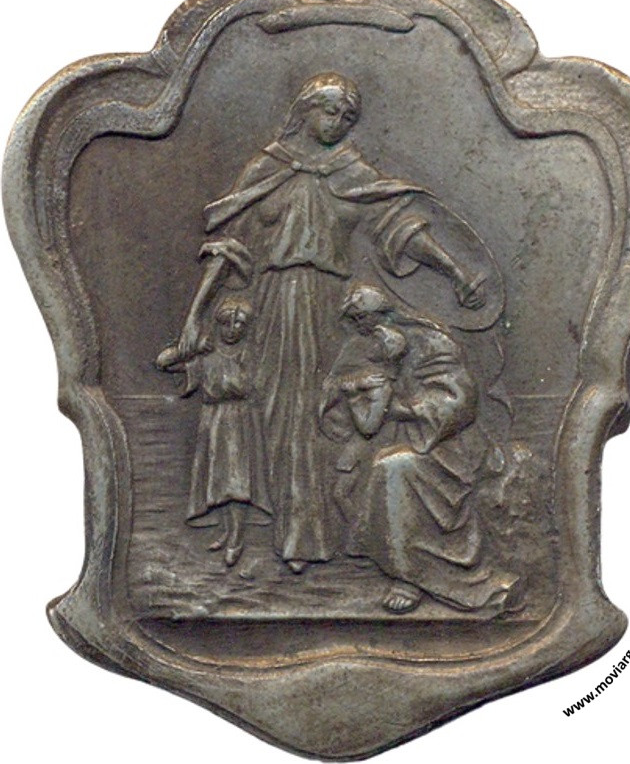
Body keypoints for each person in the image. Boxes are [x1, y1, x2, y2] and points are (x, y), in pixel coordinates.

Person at [172, 71, 499, 573]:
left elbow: (399, 228)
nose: (338, 123)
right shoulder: (267, 167)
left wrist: (455, 272)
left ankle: (317, 537)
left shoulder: (350, 171)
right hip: (273, 305)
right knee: (277, 415)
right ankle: (283, 533)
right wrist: (196, 317)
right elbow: (227, 248)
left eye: (348, 117)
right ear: (304, 110)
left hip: (330, 308)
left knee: (322, 415)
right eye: (330, 112)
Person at [320, 284, 519, 614]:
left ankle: (412, 574)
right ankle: (376, 555)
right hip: (386, 433)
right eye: (354, 321)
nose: (360, 327)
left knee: (394, 468)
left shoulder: (434, 343)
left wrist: (402, 409)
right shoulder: (366, 344)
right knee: (347, 471)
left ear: (383, 314)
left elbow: (459, 403)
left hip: (444, 445)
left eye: (363, 319)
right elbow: (344, 390)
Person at [157, 296, 269, 567]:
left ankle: (237, 538)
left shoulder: (250, 355)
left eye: (238, 325)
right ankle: (227, 531)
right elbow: (163, 363)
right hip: (214, 421)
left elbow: (253, 385)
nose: (232, 330)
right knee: (219, 480)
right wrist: (190, 349)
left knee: (237, 482)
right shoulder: (207, 357)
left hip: (239, 420)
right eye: (226, 324)